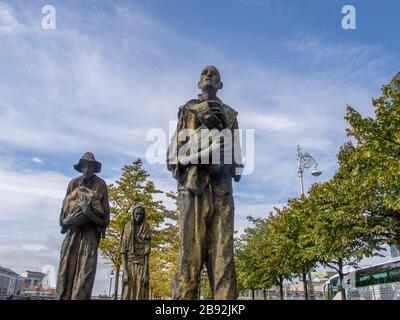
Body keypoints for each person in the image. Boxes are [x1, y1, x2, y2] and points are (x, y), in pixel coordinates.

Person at [167, 66, 243, 300]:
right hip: (193, 189)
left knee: (223, 256)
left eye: (214, 74)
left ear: (220, 85)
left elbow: (238, 165)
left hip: (221, 191)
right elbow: (172, 157)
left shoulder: (230, 114)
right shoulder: (187, 110)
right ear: (198, 83)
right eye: (204, 73)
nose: (209, 75)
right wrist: (201, 152)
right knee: (189, 254)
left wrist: (224, 155)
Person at [56, 152, 110, 300]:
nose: (87, 169)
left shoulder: (101, 184)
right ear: (81, 167)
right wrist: (64, 222)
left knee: (86, 269)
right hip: (72, 231)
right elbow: (64, 207)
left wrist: (89, 214)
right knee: (66, 267)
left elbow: (105, 216)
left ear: (94, 167)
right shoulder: (73, 183)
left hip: (90, 232)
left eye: (90, 166)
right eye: (84, 166)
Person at [121, 205, 151, 300]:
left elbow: (147, 253)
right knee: (127, 291)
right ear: (133, 214)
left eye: (141, 214)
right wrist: (125, 271)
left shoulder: (146, 228)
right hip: (129, 265)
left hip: (141, 266)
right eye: (137, 213)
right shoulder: (127, 227)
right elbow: (123, 252)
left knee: (140, 291)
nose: (139, 216)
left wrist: (145, 272)